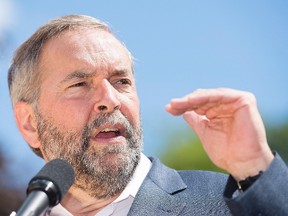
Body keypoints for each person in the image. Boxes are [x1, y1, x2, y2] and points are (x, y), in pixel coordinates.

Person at [8, 14, 288, 216]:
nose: (110, 99)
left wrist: (255, 167)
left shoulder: (227, 203)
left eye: (122, 82)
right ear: (29, 123)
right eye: (80, 84)